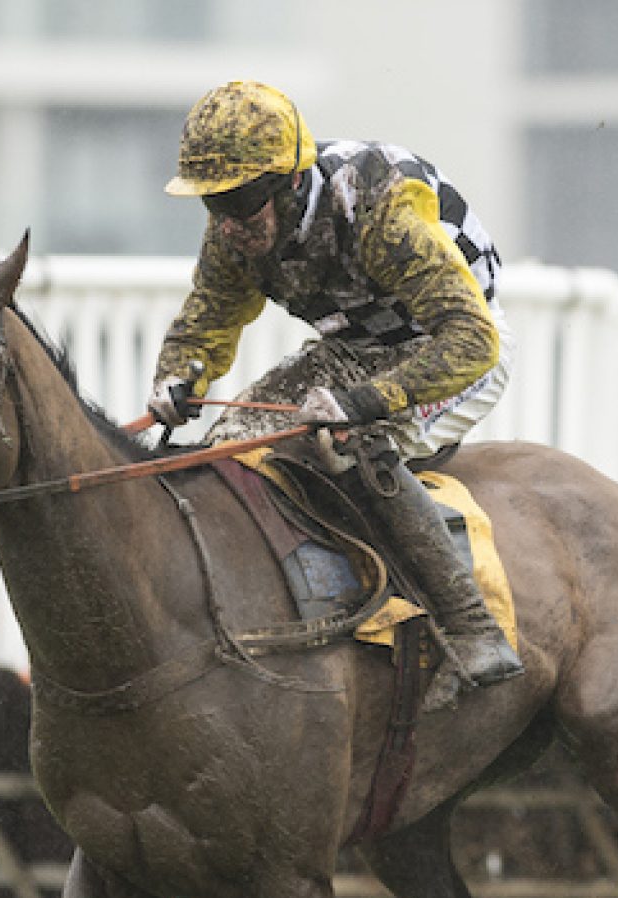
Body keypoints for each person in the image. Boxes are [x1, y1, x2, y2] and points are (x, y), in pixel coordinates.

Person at [146, 80, 521, 703]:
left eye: (240, 201)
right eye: (214, 203)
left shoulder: (381, 211)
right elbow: (207, 319)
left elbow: (469, 339)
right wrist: (179, 376)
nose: (230, 224)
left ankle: (472, 628)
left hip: (453, 348)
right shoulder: (235, 232)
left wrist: (365, 403)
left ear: (289, 184)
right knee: (230, 442)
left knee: (353, 442)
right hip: (352, 350)